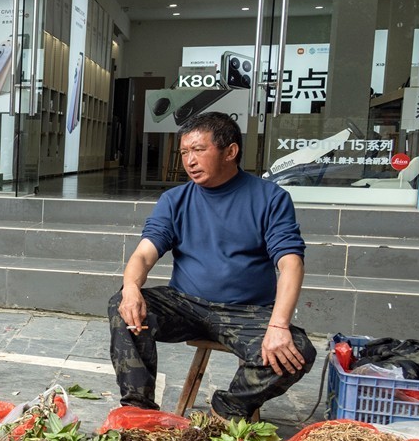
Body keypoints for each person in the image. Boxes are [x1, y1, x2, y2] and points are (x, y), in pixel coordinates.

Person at [108, 112, 316, 421]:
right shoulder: (174, 200)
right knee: (123, 305)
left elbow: (290, 263)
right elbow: (143, 255)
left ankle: (229, 406)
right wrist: (131, 290)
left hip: (246, 311)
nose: (189, 160)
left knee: (297, 351)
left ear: (230, 152)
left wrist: (278, 325)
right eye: (184, 152)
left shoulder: (270, 198)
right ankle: (139, 411)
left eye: (199, 150)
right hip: (186, 305)